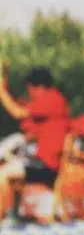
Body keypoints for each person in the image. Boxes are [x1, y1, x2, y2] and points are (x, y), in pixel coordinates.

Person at [0, 64, 71, 222]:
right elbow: (20, 106)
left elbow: (18, 112)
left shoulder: (51, 100)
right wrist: (6, 89)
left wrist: (2, 92)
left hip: (47, 166)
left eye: (30, 89)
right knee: (10, 168)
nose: (29, 94)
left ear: (39, 87)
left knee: (2, 174)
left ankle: (7, 219)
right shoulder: (53, 100)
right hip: (45, 163)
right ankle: (14, 216)